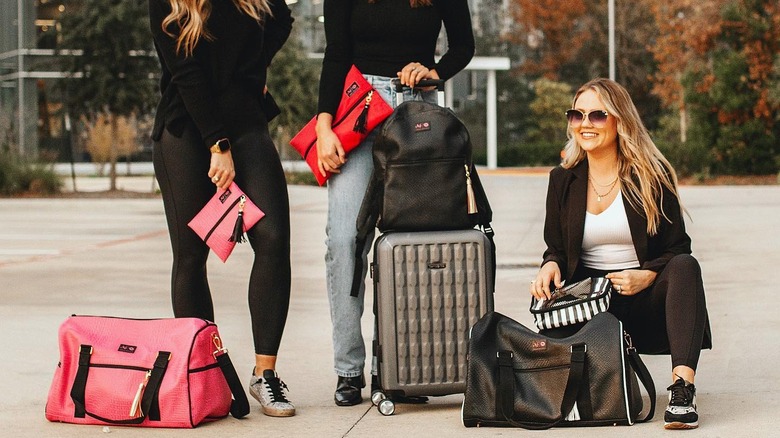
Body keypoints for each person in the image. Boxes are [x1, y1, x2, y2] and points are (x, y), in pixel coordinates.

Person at [315, 0, 475, 407]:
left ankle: (397, 368)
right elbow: (336, 52)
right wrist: (323, 127)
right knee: (345, 241)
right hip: (357, 108)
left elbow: (463, 45)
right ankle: (348, 368)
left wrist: (433, 72)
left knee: (410, 244)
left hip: (415, 109)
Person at [530, 78, 712, 430]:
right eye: (577, 115)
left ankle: (682, 390)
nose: (585, 123)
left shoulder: (651, 175)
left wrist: (648, 275)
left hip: (645, 301)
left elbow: (678, 246)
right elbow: (556, 248)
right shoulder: (562, 180)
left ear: (620, 120)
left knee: (686, 266)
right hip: (592, 308)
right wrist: (549, 265)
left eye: (597, 115)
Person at [148, 0, 295, 417]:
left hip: (247, 123)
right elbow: (185, 73)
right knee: (191, 256)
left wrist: (253, 70)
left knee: (273, 238)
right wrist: (218, 144)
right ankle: (206, 373)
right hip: (186, 128)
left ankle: (265, 374)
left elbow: (282, 19)